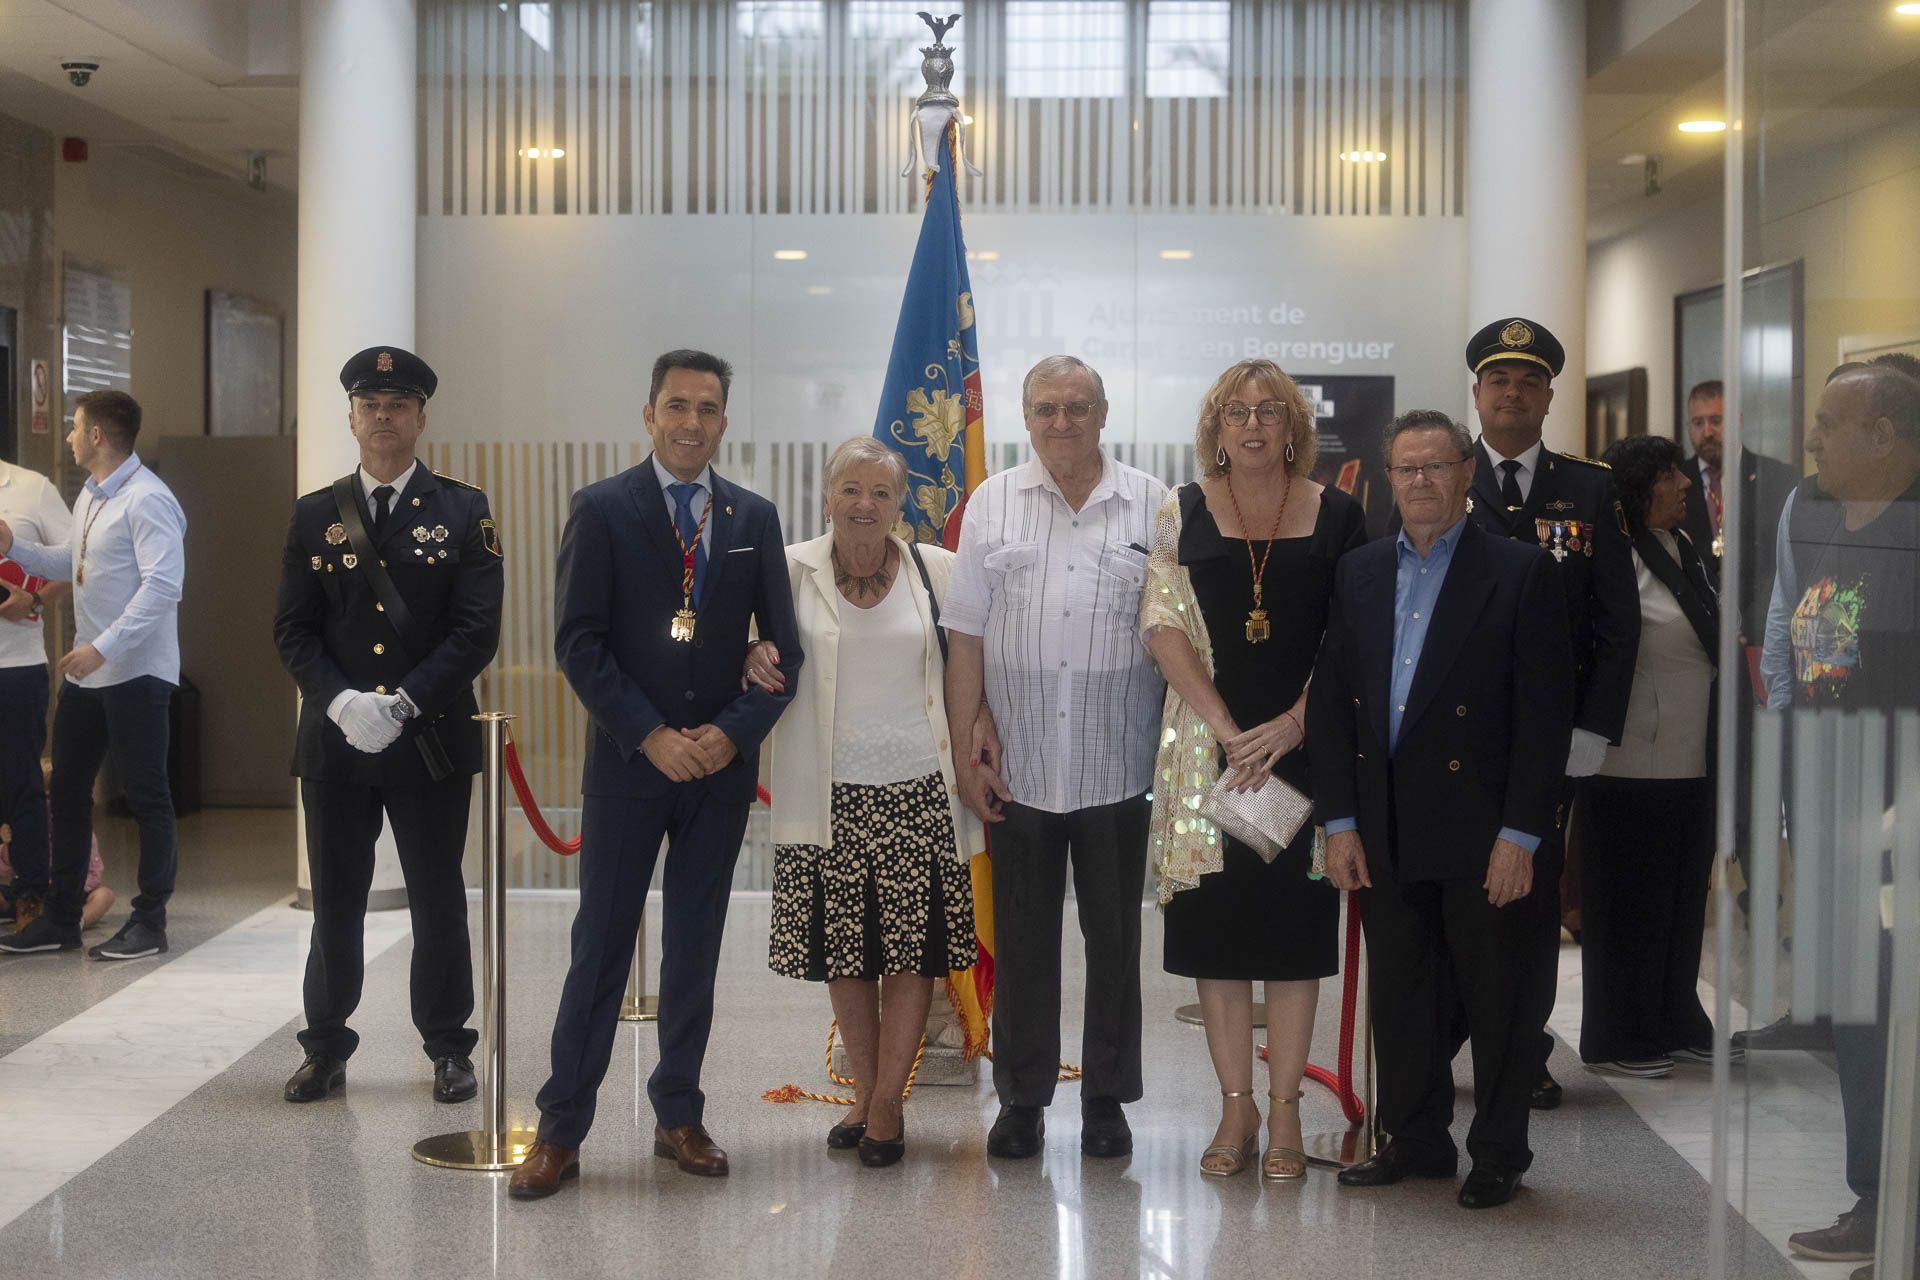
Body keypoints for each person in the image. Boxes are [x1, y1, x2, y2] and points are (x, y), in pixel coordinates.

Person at [511, 349, 802, 1198]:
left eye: (708, 409)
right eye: (677, 406)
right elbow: (578, 643)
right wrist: (650, 735)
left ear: (722, 421)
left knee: (695, 949)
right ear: (649, 415)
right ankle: (561, 1129)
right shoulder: (602, 509)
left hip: (717, 774)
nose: (691, 423)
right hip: (631, 770)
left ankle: (679, 1113)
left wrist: (727, 734)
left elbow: (783, 650)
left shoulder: (752, 516)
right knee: (599, 947)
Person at [1312, 409, 1574, 1210]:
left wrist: (1522, 833)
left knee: (1499, 999)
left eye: (1436, 466)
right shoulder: (1358, 571)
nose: (1421, 481)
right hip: (1385, 824)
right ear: (1388, 479)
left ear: (1466, 473)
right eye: (1406, 469)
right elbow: (1333, 708)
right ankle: (1417, 1139)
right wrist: (1341, 823)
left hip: (1485, 825)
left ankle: (1497, 1150)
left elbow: (1545, 717)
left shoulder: (1521, 570)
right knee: (1405, 995)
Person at [1139, 359, 1366, 1180]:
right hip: (1208, 753)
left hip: (1305, 753)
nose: (1255, 425)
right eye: (1237, 411)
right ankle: (1234, 1113)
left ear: (1294, 426)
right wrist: (1232, 731)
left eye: (1271, 411)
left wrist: (1295, 722)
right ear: (1217, 425)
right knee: (1219, 937)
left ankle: (1285, 1120)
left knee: (1296, 941)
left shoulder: (1339, 515)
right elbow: (1161, 625)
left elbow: (1354, 633)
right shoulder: (1183, 508)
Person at [942, 354, 1168, 1161]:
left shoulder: (1155, 502)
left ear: (1103, 413)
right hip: (1022, 764)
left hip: (1120, 763)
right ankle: (1024, 1100)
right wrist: (969, 728)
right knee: (1027, 941)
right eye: (1046, 408)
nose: (1062, 422)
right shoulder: (992, 502)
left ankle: (1106, 1099)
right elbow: (965, 630)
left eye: (1078, 407)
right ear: (1026, 418)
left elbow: (1175, 634)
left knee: (1115, 943)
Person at [271, 347, 502, 1105]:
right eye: (369, 403)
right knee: (337, 897)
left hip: (427, 735)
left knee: (438, 896)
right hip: (335, 742)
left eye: (397, 404)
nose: (383, 416)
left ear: (421, 418)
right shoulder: (315, 513)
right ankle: (326, 1047)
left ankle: (448, 1048)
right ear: (350, 416)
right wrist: (342, 703)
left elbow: (475, 632)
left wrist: (400, 704)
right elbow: (293, 631)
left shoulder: (465, 511)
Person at [744, 436, 978, 1168]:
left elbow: (972, 668)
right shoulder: (787, 569)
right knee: (848, 957)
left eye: (881, 491)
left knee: (910, 957)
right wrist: (745, 652)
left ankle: (886, 1103)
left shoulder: (935, 571)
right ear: (826, 496)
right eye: (851, 489)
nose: (866, 504)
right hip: (829, 793)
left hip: (918, 794)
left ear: (901, 502)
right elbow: (744, 645)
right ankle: (862, 1090)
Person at [1460, 317, 1639, 1110]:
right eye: (1499, 379)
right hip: (1449, 736)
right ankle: (1440, 1043)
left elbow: (1616, 620)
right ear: (1477, 393)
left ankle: (1522, 1052)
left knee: (1528, 903)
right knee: (1444, 892)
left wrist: (1595, 727)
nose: (1512, 392)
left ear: (1548, 396)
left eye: (1528, 381)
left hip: (1548, 739)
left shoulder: (1590, 487)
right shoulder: (1436, 473)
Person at [1771, 358, 1920, 1280]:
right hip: (1836, 800)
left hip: (1905, 822)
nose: (1814, 439)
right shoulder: (1817, 516)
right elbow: (1798, 635)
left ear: (1888, 437)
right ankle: (1881, 1202)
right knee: (1863, 1021)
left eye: (1831, 423)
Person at [0, 390, 186, 961]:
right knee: (69, 793)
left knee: (146, 797)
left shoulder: (148, 500)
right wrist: (15, 547)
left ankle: (150, 921)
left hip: (135, 673)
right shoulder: (92, 496)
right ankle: (61, 917)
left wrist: (102, 648)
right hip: (88, 673)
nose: (70, 437)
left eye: (76, 428)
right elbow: (71, 565)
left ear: (99, 435)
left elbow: (162, 588)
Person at [1576, 434, 1724, 1077]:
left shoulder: (1682, 547)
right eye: (1669, 474)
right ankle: (1619, 1035)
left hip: (1690, 757)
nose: (1686, 483)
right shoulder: (1614, 554)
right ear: (1637, 487)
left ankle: (1673, 1017)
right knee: (1628, 904)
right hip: (1630, 760)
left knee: (1681, 898)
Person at [0, 455, 72, 928]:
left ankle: (30, 898)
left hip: (17, 667)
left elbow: (81, 558)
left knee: (20, 782)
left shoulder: (31, 488)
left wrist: (35, 600)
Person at [1677, 378, 1797, 631]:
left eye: (1716, 420)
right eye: (1698, 423)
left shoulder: (1776, 477)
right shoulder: (1676, 482)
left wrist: (1753, 625)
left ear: (1738, 421)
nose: (1707, 432)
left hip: (1760, 629)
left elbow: (1780, 563)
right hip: (1694, 630)